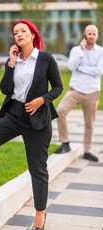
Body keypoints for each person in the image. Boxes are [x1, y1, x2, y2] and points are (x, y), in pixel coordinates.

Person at [0, 20, 63, 230]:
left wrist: (42, 100)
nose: (19, 35)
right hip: (14, 115)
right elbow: (5, 89)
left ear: (32, 34)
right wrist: (10, 65)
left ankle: (40, 214)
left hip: (37, 118)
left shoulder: (45, 58)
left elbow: (58, 87)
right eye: (15, 32)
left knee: (37, 168)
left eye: (23, 31)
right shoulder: (14, 60)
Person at [55, 25, 103, 162]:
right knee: (60, 112)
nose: (92, 36)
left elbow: (99, 71)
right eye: (89, 34)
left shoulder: (101, 51)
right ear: (84, 35)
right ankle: (65, 144)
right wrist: (81, 52)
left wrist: (80, 67)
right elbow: (70, 66)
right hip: (75, 89)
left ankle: (87, 151)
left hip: (92, 92)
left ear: (97, 36)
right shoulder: (76, 50)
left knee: (89, 123)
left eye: (94, 34)